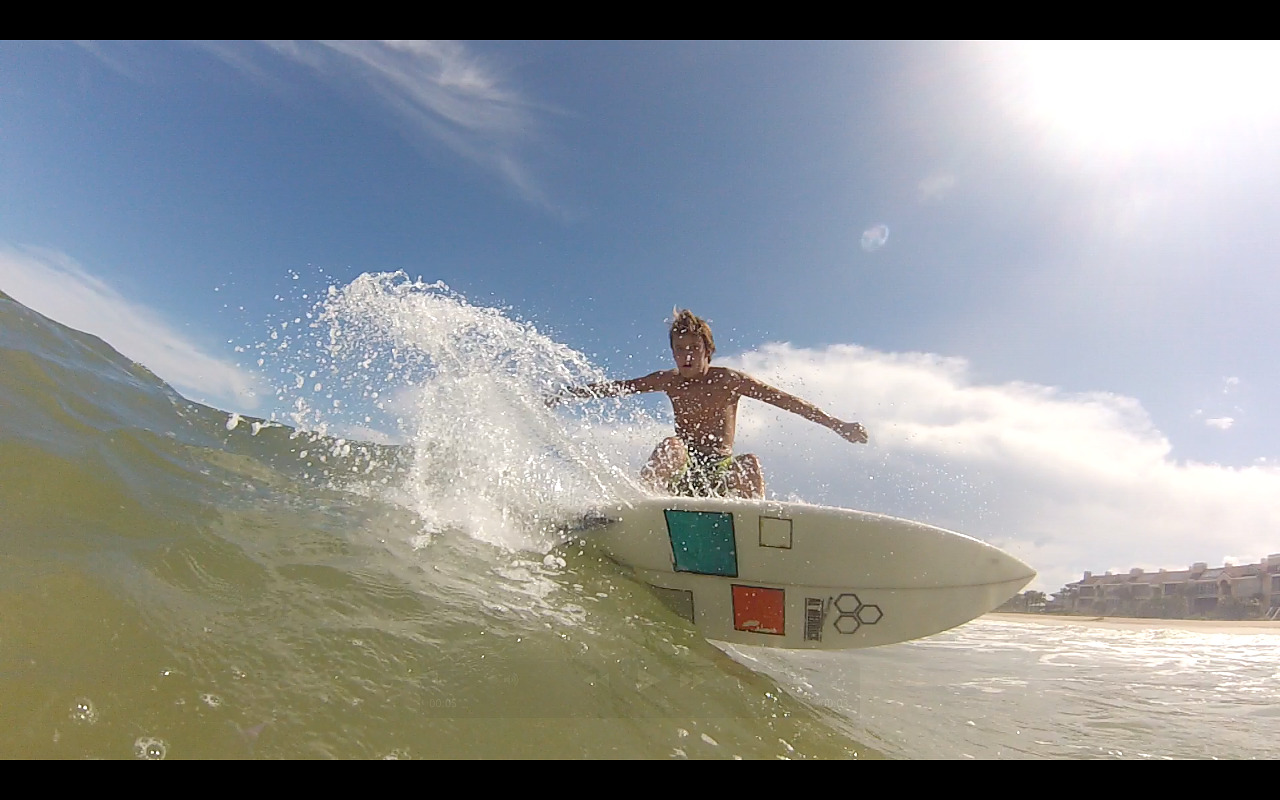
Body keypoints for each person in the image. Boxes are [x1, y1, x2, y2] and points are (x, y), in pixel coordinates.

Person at [546, 309, 868, 499]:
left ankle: (754, 529)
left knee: (750, 463)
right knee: (672, 446)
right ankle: (639, 507)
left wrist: (837, 425)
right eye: (679, 349)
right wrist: (569, 394)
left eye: (693, 348)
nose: (686, 356)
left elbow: (785, 400)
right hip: (684, 470)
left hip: (719, 472)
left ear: (707, 351)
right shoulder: (669, 380)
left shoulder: (728, 380)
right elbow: (620, 388)